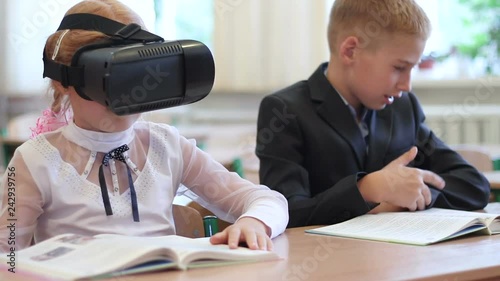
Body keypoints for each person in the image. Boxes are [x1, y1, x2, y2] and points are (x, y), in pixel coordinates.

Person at [0, 0, 288, 253]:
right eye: (107, 81)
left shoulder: (167, 145)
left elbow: (267, 199)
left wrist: (255, 221)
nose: (123, 98)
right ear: (64, 81)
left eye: (135, 78)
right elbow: (7, 257)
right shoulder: (34, 161)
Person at [256, 0, 490, 228]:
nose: (407, 85)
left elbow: (474, 186)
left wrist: (405, 198)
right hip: (327, 261)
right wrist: (366, 190)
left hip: (395, 259)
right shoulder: (285, 110)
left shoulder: (402, 108)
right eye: (399, 68)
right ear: (350, 51)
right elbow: (284, 212)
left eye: (412, 69)